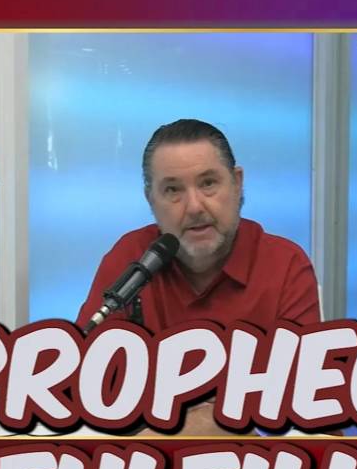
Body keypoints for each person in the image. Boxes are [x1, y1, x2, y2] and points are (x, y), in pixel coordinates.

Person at [76, 119, 321, 432]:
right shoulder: (131, 257)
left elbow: (309, 416)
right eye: (173, 190)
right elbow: (88, 390)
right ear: (151, 200)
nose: (194, 207)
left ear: (237, 183)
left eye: (208, 183)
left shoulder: (285, 265)